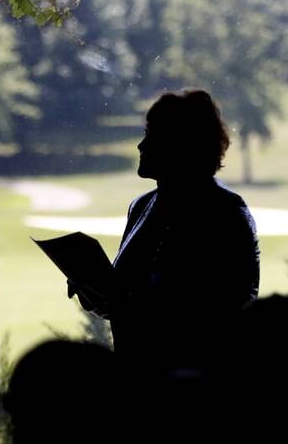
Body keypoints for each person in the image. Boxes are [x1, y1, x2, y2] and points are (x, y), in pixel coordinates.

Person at [69, 89, 260, 371]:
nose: (141, 146)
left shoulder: (225, 212)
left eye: (152, 134)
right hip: (137, 376)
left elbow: (227, 311)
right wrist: (92, 289)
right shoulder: (141, 206)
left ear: (180, 144)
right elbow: (123, 300)